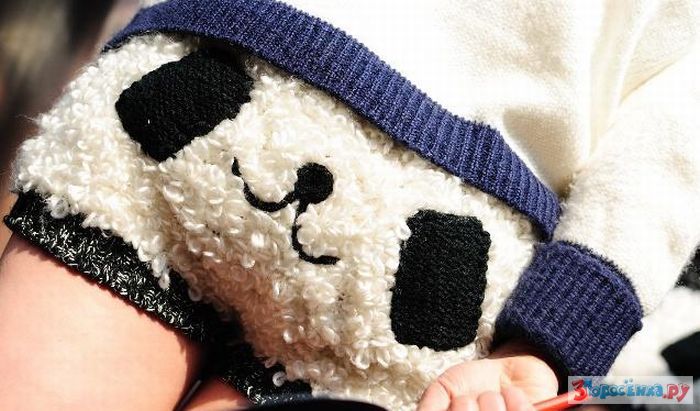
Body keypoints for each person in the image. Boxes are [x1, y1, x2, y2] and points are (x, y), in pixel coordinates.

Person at [1, 0, 699, 410]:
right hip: (434, 263)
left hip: (208, 86)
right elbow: (671, 147)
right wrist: (549, 338)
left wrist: (549, 339)